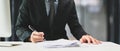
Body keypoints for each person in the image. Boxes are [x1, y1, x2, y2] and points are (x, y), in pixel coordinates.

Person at [15, 0, 101, 44]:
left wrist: (84, 36)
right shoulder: (29, 1)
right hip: (37, 46)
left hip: (62, 46)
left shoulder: (68, 2)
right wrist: (30, 37)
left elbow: (75, 27)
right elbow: (20, 27)